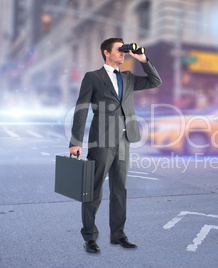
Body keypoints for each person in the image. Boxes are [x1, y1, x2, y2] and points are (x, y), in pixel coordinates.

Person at [69, 38, 162, 253]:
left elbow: (155, 81)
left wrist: (143, 59)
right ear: (106, 52)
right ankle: (90, 237)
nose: (123, 53)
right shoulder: (93, 77)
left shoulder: (128, 78)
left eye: (124, 50)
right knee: (93, 189)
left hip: (124, 140)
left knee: (120, 189)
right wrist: (75, 142)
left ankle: (118, 234)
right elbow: (81, 109)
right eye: (119, 50)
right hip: (101, 141)